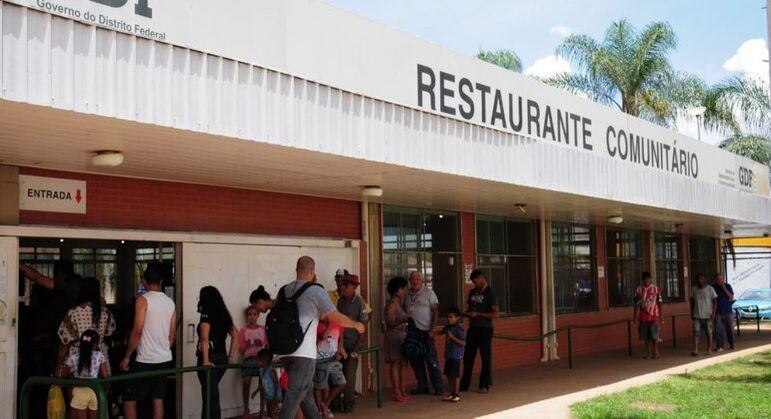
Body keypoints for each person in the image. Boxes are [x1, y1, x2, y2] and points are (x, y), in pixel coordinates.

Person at [278, 256, 365, 419]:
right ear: (312, 271)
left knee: (305, 394)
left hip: (285, 352)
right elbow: (334, 316)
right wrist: (355, 325)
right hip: (304, 353)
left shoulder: (285, 290)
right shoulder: (315, 290)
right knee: (294, 394)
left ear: (296, 270)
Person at [120, 262, 177, 419]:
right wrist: (164, 349)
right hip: (164, 358)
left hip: (144, 359)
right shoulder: (170, 303)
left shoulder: (142, 300)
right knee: (158, 399)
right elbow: (172, 335)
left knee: (130, 399)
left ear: (144, 281)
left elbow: (137, 331)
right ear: (161, 282)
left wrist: (127, 356)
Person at [195, 286, 239, 419]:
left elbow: (204, 337)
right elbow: (236, 335)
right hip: (221, 358)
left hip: (210, 359)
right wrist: (230, 356)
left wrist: (205, 360)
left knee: (210, 397)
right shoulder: (224, 313)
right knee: (210, 394)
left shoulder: (207, 313)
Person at [58, 277, 117, 375]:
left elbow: (64, 341)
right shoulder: (105, 312)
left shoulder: (73, 312)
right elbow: (110, 331)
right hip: (100, 361)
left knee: (77, 389)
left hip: (76, 360)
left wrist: (58, 368)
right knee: (99, 389)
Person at [403, 271, 443, 396]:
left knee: (431, 359)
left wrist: (432, 329)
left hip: (426, 331)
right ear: (409, 281)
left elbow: (436, 311)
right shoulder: (407, 294)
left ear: (422, 281)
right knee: (416, 360)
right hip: (412, 333)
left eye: (417, 279)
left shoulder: (429, 293)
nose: (415, 282)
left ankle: (438, 386)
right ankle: (422, 386)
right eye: (412, 279)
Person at [459, 270, 498, 394]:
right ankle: (464, 384)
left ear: (481, 278)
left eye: (475, 282)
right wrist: (466, 313)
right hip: (473, 328)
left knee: (485, 357)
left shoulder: (490, 293)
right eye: (473, 282)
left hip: (485, 329)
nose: (474, 284)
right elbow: (470, 308)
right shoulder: (472, 292)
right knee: (468, 357)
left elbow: (495, 314)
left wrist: (479, 314)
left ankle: (484, 384)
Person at [336, 273, 369, 413]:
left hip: (353, 344)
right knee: (337, 375)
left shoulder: (359, 302)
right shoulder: (340, 301)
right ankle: (336, 404)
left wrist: (357, 348)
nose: (342, 287)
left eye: (345, 285)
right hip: (340, 344)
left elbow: (363, 325)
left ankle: (348, 403)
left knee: (350, 375)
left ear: (353, 287)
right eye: (342, 284)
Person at [62, 330, 110, 419]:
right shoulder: (99, 355)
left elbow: (63, 374)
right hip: (95, 390)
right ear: (95, 344)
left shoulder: (74, 356)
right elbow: (105, 375)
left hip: (79, 391)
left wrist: (72, 375)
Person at [384, 276, 410, 403]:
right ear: (397, 290)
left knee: (403, 363)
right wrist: (403, 320)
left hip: (402, 336)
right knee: (395, 363)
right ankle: (397, 391)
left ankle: (403, 389)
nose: (404, 291)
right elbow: (389, 321)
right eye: (402, 289)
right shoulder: (392, 303)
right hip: (394, 335)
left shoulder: (399, 302)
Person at [313, 319, 347, 418]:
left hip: (332, 359)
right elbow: (321, 337)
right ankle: (320, 410)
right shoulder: (318, 324)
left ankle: (325, 404)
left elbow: (341, 338)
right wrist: (328, 326)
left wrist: (339, 351)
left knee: (342, 383)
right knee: (320, 385)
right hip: (320, 359)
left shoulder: (338, 324)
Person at [432, 307, 465, 403]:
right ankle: (451, 393)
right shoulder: (448, 327)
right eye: (448, 317)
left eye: (451, 317)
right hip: (448, 355)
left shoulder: (459, 329)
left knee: (455, 375)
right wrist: (433, 333)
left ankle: (457, 394)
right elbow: (442, 332)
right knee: (449, 374)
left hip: (456, 355)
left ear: (457, 318)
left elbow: (463, 343)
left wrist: (452, 338)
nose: (449, 319)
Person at [239, 306, 267, 419]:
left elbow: (266, 345)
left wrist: (261, 343)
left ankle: (262, 409)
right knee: (246, 382)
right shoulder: (243, 330)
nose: (252, 317)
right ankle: (246, 408)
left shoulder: (263, 329)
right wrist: (248, 345)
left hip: (261, 359)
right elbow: (241, 349)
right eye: (249, 314)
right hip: (248, 359)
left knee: (263, 384)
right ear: (247, 316)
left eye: (254, 314)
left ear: (258, 316)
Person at [633, 272, 663, 359]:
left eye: (648, 279)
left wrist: (662, 314)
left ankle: (656, 352)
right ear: (642, 280)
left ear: (651, 279)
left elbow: (660, 301)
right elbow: (636, 304)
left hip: (654, 315)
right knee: (646, 336)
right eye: (645, 279)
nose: (647, 281)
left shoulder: (655, 288)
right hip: (643, 316)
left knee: (654, 335)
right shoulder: (639, 289)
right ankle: (649, 353)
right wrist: (635, 317)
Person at [690, 273, 718, 356]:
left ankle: (709, 349)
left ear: (705, 280)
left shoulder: (710, 289)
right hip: (697, 315)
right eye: (698, 279)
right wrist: (691, 312)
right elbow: (692, 302)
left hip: (708, 315)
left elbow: (715, 302)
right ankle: (695, 349)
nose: (700, 281)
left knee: (709, 333)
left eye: (702, 279)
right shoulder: (694, 289)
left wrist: (713, 313)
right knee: (696, 332)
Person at [254, 349, 281, 418]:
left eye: (257, 360)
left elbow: (276, 384)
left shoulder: (271, 371)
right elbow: (261, 384)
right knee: (269, 413)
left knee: (272, 413)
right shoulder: (261, 371)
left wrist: (275, 396)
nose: (256, 362)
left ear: (263, 361)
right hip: (268, 396)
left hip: (275, 395)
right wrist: (255, 392)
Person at [711, 274, 735, 352]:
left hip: (728, 311)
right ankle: (720, 346)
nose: (719, 281)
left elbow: (731, 298)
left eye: (721, 279)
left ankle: (731, 344)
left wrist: (724, 288)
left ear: (723, 279)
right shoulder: (713, 287)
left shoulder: (728, 286)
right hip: (717, 312)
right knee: (718, 330)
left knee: (730, 329)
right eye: (718, 279)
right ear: (716, 280)